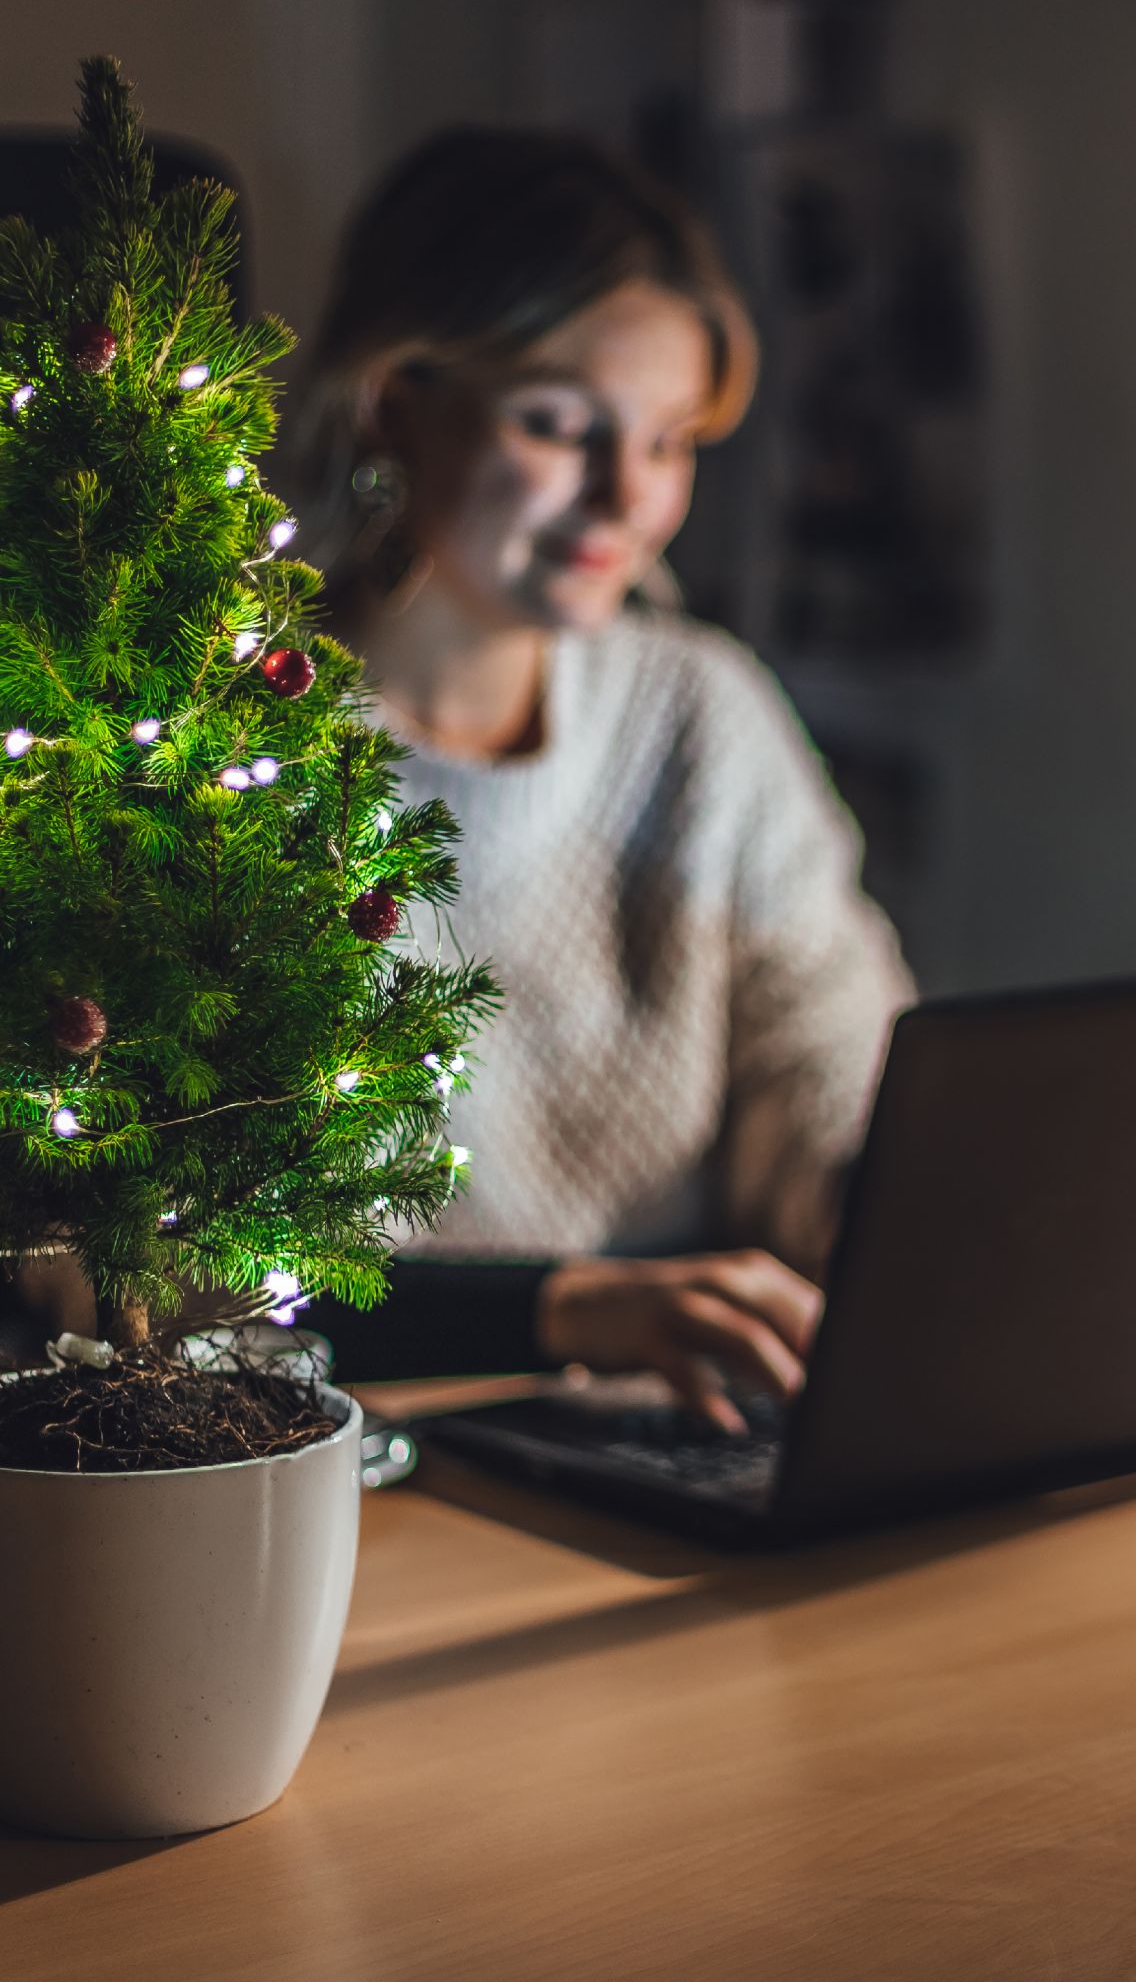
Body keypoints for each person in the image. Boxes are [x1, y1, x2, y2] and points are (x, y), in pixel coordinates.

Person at [294, 129, 912, 1432]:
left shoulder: (700, 711)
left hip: (682, 1430)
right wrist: (567, 1310)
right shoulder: (230, 751)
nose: (627, 498)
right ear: (398, 401)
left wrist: (892, 1204)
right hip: (352, 1487)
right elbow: (154, 1283)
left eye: (672, 441)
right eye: (561, 426)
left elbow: (826, 1053)